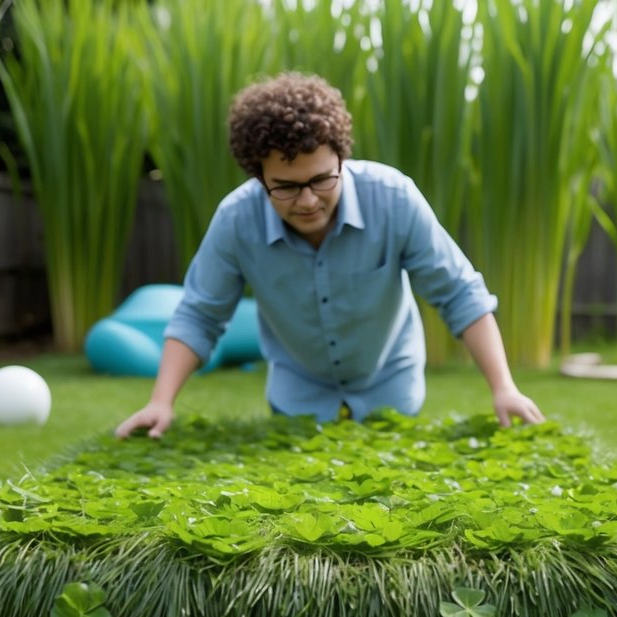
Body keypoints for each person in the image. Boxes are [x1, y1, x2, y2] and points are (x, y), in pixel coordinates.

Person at [115, 72, 544, 439]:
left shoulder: (394, 199)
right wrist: (161, 401)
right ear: (257, 174)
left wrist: (503, 387)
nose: (307, 201)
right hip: (296, 394)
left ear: (342, 156)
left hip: (391, 386)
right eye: (285, 186)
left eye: (321, 179)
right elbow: (200, 316)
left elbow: (459, 294)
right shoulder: (235, 220)